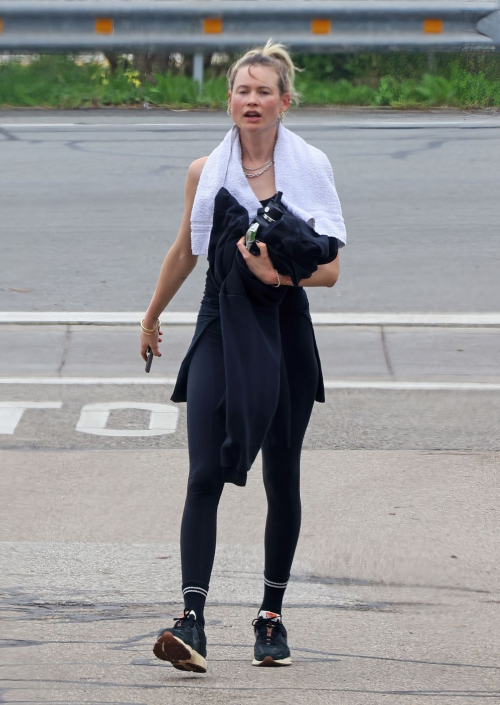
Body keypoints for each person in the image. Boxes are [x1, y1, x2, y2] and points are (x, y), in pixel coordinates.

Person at [140, 39, 346, 673]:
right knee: (205, 472)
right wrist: (150, 315)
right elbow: (187, 250)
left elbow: (332, 269)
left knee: (281, 476)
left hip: (282, 322)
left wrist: (276, 275)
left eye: (264, 91)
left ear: (285, 103)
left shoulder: (310, 168)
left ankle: (271, 615)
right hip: (219, 319)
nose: (251, 100)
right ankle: (192, 621)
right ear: (228, 100)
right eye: (242, 90)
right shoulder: (207, 171)